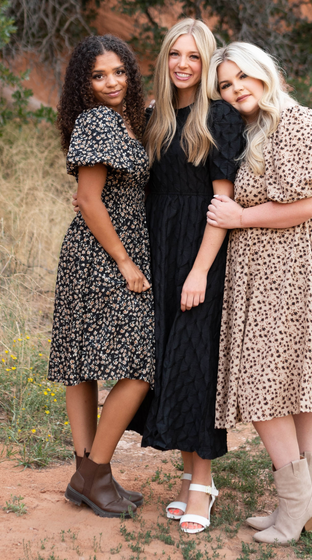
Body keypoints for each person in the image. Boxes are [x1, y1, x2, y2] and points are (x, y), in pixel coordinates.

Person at [206, 42, 312, 544]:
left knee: (265, 380)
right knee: (294, 378)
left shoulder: (299, 121)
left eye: (242, 78)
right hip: (263, 266)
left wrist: (240, 217)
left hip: (300, 264)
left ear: (265, 72)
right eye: (226, 85)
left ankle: (297, 503)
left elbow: (310, 204)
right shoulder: (253, 128)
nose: (236, 90)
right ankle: (302, 502)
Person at [137, 19, 244, 534]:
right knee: (168, 362)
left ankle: (202, 484)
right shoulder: (155, 115)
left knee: (194, 364)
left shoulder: (218, 116)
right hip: (159, 247)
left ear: (206, 64)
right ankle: (188, 477)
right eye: (175, 54)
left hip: (200, 251)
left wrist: (200, 270)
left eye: (195, 57)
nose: (183, 64)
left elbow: (223, 201)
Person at [48, 35, 155, 518]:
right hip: (101, 255)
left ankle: (88, 477)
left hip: (113, 250)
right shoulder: (95, 121)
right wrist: (126, 262)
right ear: (83, 83)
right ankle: (95, 474)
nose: (111, 82)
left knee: (86, 360)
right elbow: (89, 199)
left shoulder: (129, 120)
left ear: (130, 72)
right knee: (139, 362)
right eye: (98, 75)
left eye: (118, 72)